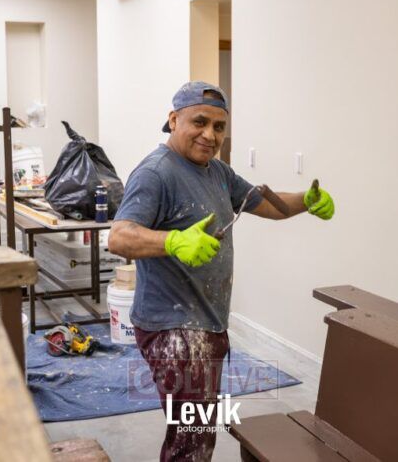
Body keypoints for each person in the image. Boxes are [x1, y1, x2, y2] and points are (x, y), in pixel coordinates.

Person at [108, 81, 334, 461]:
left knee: (195, 430)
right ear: (173, 120)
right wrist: (173, 241)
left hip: (206, 323)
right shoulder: (156, 173)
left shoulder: (217, 172)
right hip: (173, 329)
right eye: (199, 122)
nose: (210, 135)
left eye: (219, 127)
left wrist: (306, 201)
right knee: (192, 438)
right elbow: (119, 237)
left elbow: (265, 203)